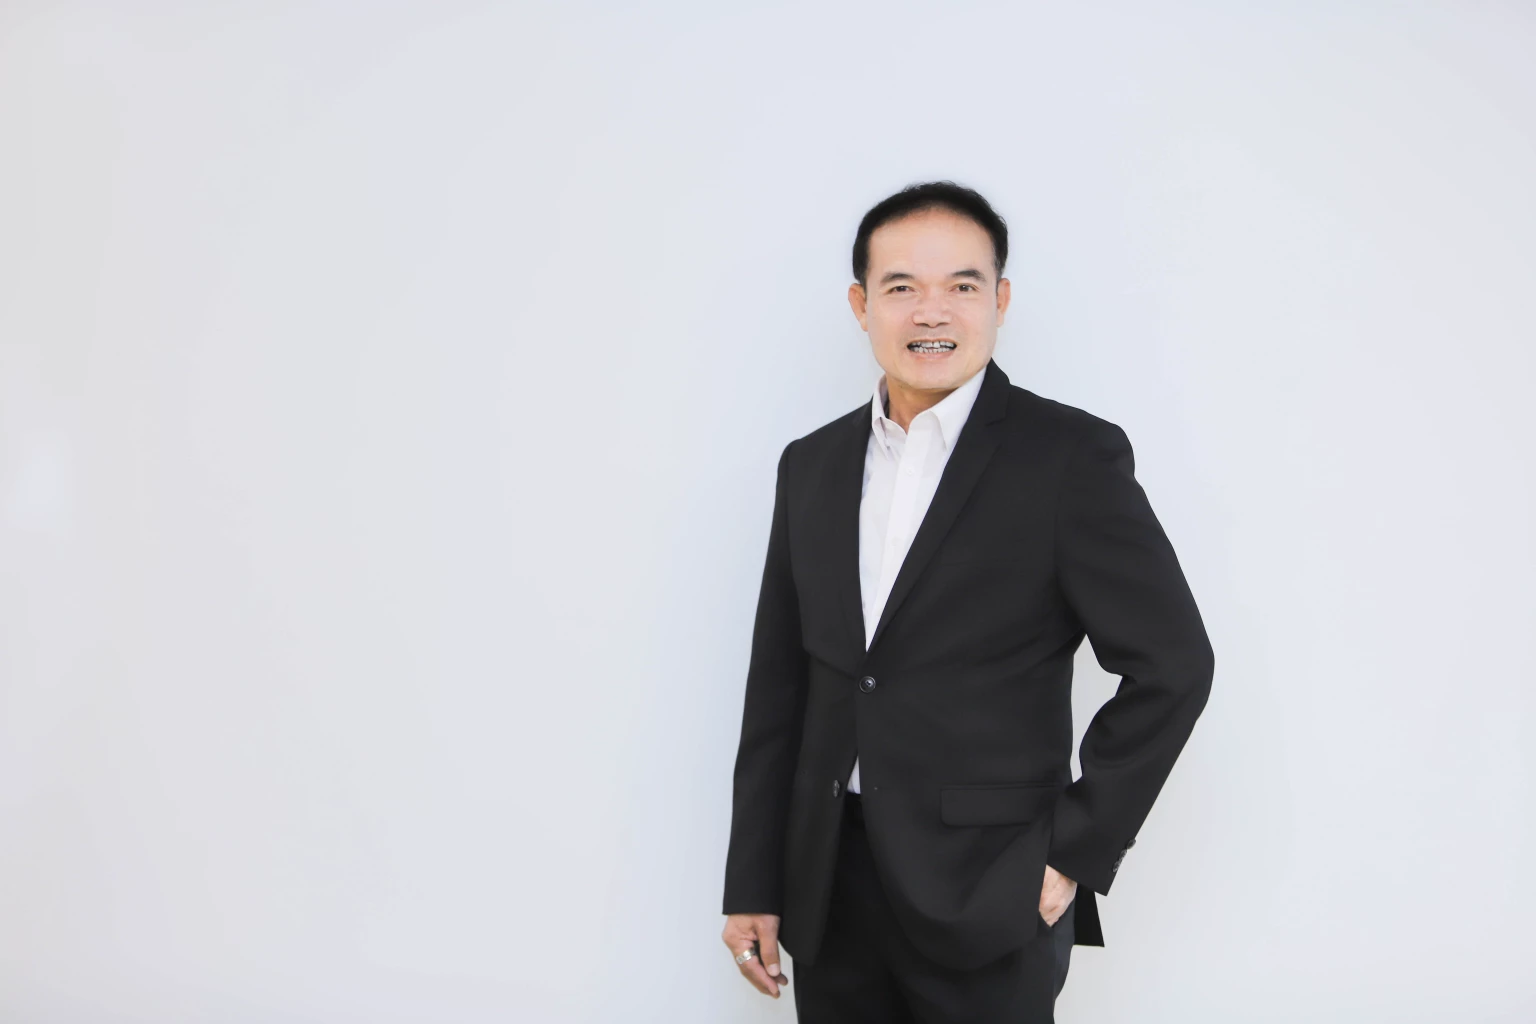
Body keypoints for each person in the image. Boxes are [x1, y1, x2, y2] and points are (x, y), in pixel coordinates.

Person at [720, 180, 1214, 1022]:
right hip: (829, 887)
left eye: (962, 285)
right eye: (901, 287)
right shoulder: (812, 465)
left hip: (992, 888)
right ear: (861, 305)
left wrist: (1073, 853)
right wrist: (754, 883)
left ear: (1000, 301)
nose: (931, 312)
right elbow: (781, 688)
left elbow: (1174, 666)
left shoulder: (1069, 458)